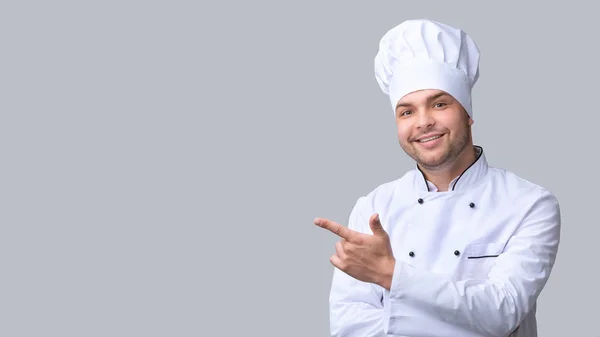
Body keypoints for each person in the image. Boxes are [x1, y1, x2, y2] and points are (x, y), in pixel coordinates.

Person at [314, 19, 561, 337]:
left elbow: (501, 313)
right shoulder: (374, 207)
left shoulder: (530, 204)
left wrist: (390, 274)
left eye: (440, 104)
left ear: (468, 113)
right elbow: (350, 327)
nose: (423, 122)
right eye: (407, 111)